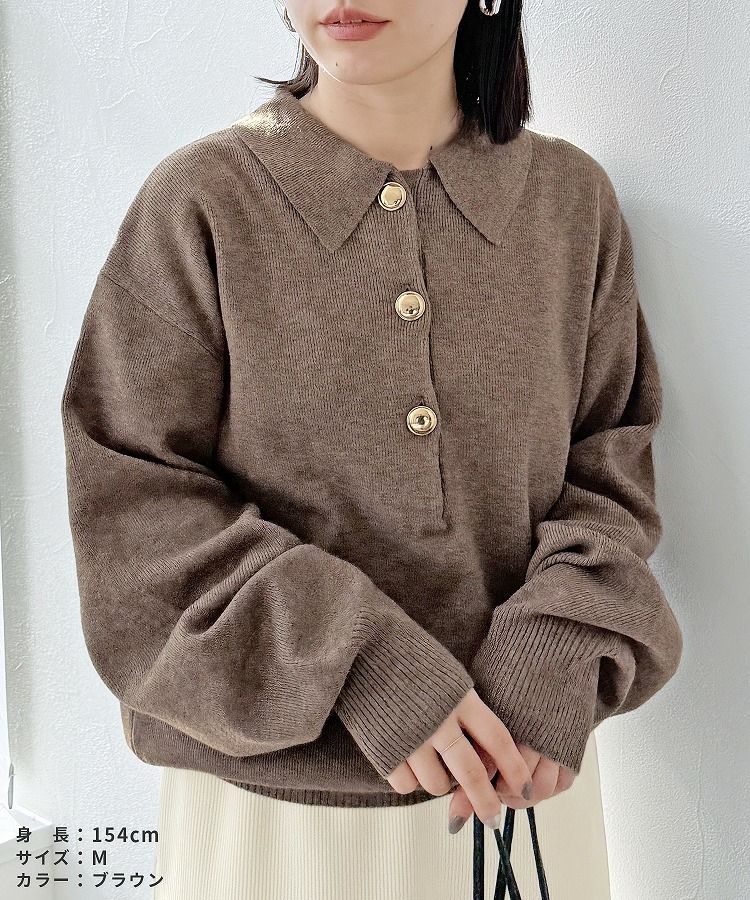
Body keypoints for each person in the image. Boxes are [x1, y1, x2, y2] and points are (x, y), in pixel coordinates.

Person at [60, 1, 684, 898]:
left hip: (522, 787)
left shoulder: (568, 202)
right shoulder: (203, 201)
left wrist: (555, 642)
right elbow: (132, 502)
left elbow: (610, 463)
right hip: (274, 821)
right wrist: (362, 662)